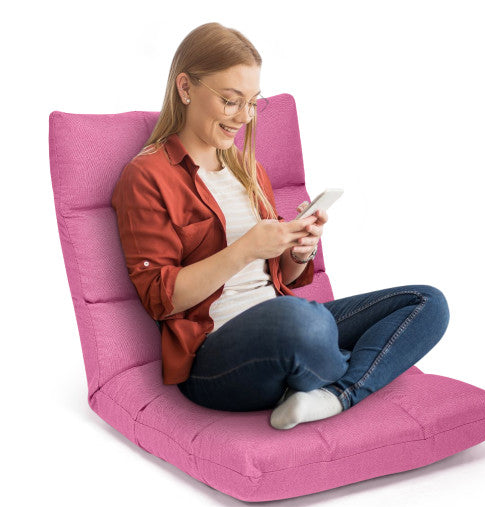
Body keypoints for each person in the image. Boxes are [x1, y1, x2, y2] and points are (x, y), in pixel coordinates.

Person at [111, 22, 450, 430]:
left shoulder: (247, 171)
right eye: (231, 101)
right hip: (214, 355)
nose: (244, 117)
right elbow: (161, 299)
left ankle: (332, 396)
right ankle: (353, 366)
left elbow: (280, 277)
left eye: (252, 103)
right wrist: (245, 249)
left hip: (284, 324)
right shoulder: (147, 176)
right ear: (185, 88)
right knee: (305, 322)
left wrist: (298, 250)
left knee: (427, 303)